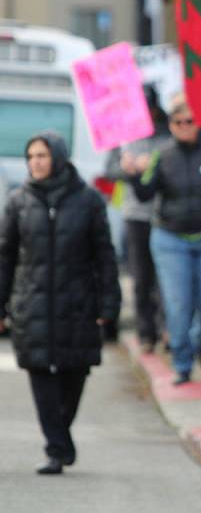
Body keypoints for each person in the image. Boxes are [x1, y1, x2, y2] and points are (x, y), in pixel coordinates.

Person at [0, 132, 121, 474]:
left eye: (42, 155)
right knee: (40, 373)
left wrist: (108, 304)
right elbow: (5, 256)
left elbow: (104, 256)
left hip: (77, 303)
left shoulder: (88, 200)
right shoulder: (18, 201)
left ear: (58, 157)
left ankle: (60, 434)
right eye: (31, 156)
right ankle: (56, 447)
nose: (35, 162)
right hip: (32, 303)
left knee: (74, 372)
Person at [126, 95, 201, 385]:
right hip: (170, 239)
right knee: (178, 302)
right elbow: (145, 194)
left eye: (189, 121)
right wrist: (134, 175)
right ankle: (182, 363)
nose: (184, 126)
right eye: (177, 122)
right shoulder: (162, 154)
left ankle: (199, 341)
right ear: (170, 125)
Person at [104, 85, 169, 349]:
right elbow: (109, 170)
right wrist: (127, 168)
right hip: (135, 215)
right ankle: (146, 333)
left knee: (164, 279)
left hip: (163, 214)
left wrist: (152, 164)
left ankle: (166, 329)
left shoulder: (167, 134)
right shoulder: (123, 135)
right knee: (141, 277)